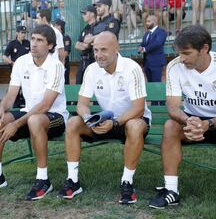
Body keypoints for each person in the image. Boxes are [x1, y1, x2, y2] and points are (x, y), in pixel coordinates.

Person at [0, 24, 68, 201]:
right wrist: (1, 110)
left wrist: (16, 124)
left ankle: (43, 180)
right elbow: (11, 95)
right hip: (30, 115)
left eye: (40, 40)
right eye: (32, 39)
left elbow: (46, 105)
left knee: (34, 120)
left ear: (50, 46)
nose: (33, 43)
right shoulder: (21, 62)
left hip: (55, 118)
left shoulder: (55, 66)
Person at [58, 31, 151, 203]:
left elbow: (139, 109)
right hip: (105, 121)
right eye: (95, 50)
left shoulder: (132, 68)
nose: (99, 55)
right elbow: (82, 104)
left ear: (117, 49)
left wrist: (115, 123)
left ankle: (127, 182)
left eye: (103, 50)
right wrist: (88, 118)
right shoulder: (92, 70)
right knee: (73, 123)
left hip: (131, 120)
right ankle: (73, 180)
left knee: (135, 125)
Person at [149, 25, 216, 209]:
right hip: (191, 121)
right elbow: (172, 107)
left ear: (204, 49)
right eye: (180, 53)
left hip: (213, 120)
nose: (182, 58)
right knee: (171, 126)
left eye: (187, 53)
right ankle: (171, 191)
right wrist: (189, 121)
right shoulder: (175, 66)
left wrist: (208, 124)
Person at [138, 15, 167, 83]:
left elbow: (158, 43)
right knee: (150, 84)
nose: (146, 23)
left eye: (148, 21)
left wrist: (145, 49)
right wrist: (140, 47)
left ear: (154, 22)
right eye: (146, 21)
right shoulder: (147, 33)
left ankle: (159, 94)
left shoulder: (161, 32)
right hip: (147, 63)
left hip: (156, 63)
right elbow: (143, 44)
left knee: (157, 84)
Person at [75, 5, 97, 84]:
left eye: (85, 13)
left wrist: (86, 44)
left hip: (93, 60)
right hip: (83, 60)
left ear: (92, 14)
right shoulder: (85, 28)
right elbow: (77, 45)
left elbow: (90, 44)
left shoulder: (97, 27)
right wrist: (86, 44)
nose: (83, 15)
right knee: (79, 81)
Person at [54, 19, 71, 84]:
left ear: (60, 26)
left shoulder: (66, 38)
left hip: (64, 64)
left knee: (64, 84)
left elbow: (65, 53)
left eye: (56, 25)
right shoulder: (54, 37)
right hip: (55, 65)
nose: (54, 27)